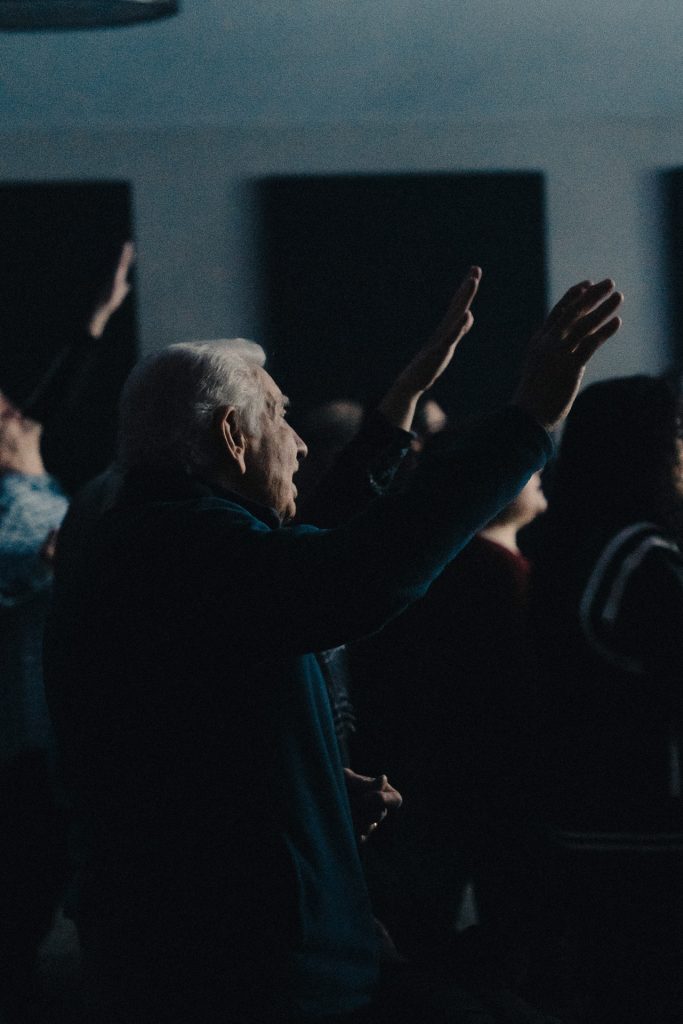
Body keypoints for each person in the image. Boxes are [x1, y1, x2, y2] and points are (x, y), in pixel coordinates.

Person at [44, 270, 622, 1023]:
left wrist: (304, 782)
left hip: (210, 944)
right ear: (229, 434)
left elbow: (306, 563)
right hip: (229, 962)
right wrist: (528, 422)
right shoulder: (181, 548)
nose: (298, 440)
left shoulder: (156, 538)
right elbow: (352, 575)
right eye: (278, 416)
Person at [527, 373, 683, 1023]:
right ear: (647, 449)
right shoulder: (637, 560)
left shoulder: (570, 547)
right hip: (644, 841)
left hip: (581, 832)